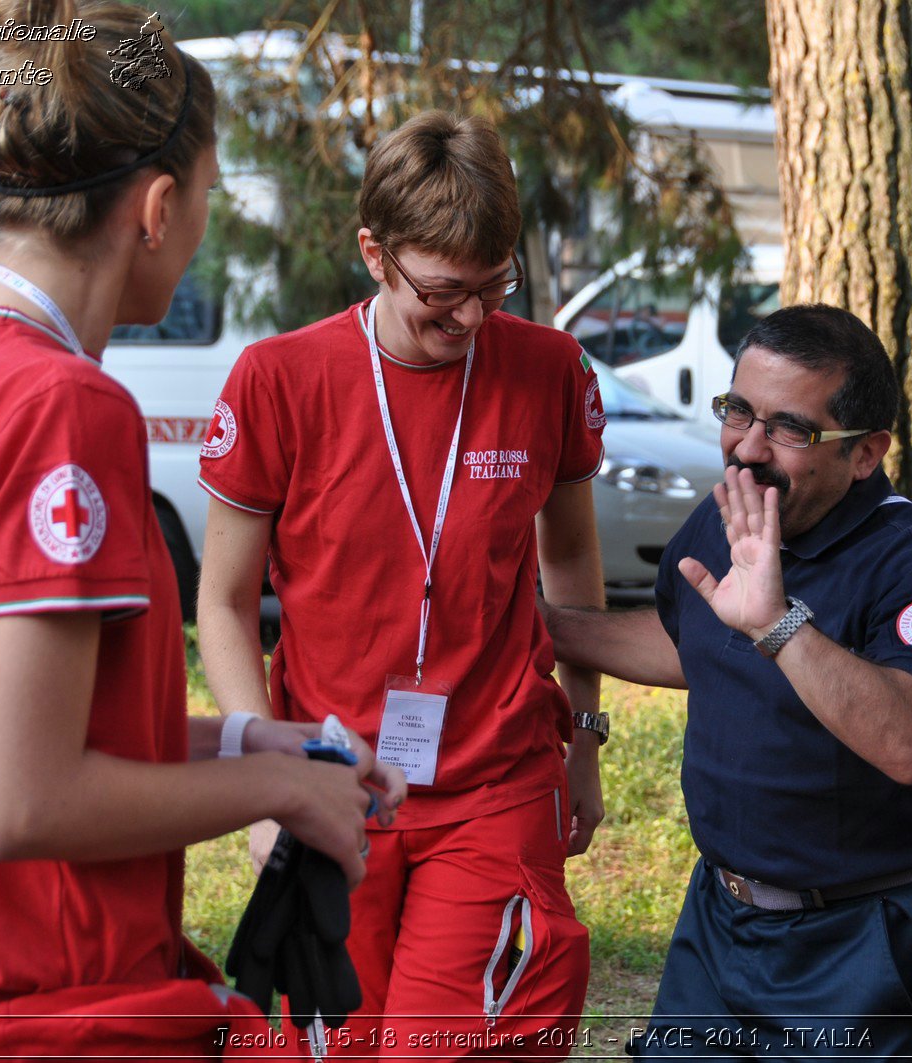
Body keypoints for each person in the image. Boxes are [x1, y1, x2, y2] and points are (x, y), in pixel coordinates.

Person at [0, 3, 403, 1058]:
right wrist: (283, 789)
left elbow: (1, 735)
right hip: (49, 1011)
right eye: (205, 204)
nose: (199, 232)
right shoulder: (64, 407)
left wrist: (244, 739)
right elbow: (24, 799)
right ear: (157, 206)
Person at [196, 111, 607, 1058]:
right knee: (328, 1040)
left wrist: (583, 737)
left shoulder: (547, 369)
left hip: (495, 781)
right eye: (445, 293)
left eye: (494, 287)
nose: (471, 318)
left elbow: (573, 568)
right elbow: (220, 603)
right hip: (332, 779)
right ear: (375, 254)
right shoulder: (278, 378)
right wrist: (268, 790)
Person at [542, 304, 912, 1059]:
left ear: (866, 453)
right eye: (739, 411)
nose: (749, 448)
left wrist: (778, 625)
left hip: (864, 937)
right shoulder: (730, 513)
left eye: (789, 428)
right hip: (721, 920)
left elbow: (911, 743)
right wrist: (539, 625)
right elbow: (687, 643)